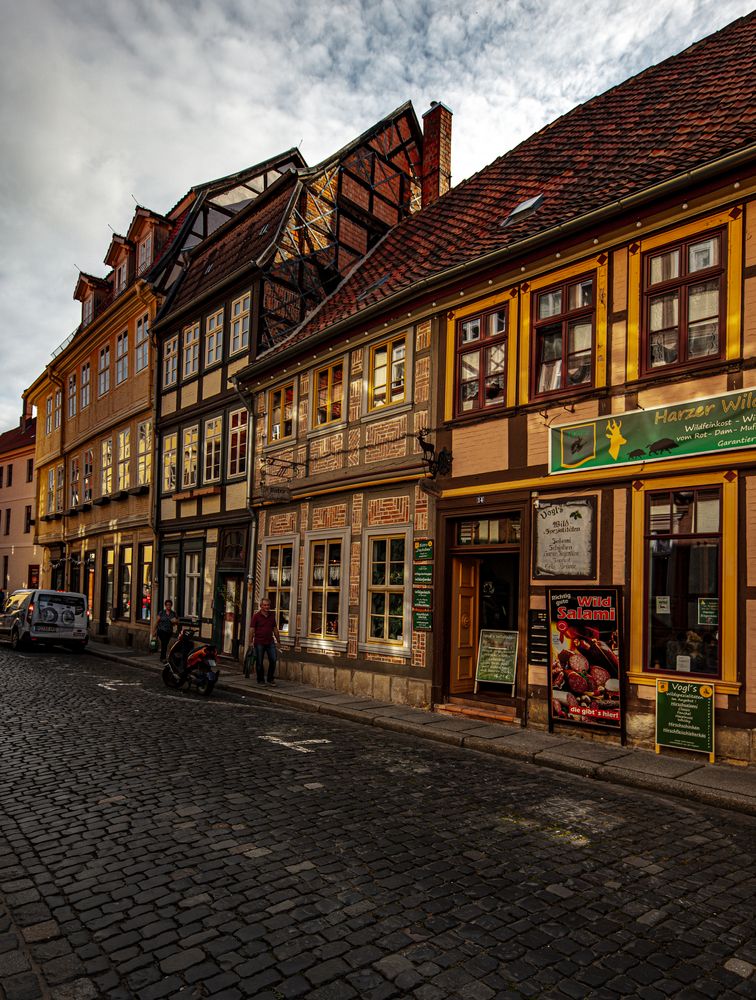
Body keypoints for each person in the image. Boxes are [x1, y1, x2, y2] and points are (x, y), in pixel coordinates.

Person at [249, 598, 280, 686]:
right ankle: (261, 679)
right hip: (259, 642)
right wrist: (250, 641)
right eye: (265, 605)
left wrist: (278, 641)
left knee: (273, 660)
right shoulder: (256, 616)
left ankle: (270, 679)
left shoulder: (272, 615)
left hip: (270, 641)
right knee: (259, 662)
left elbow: (275, 629)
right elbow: (252, 629)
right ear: (261, 606)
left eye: (268, 605)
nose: (267, 607)